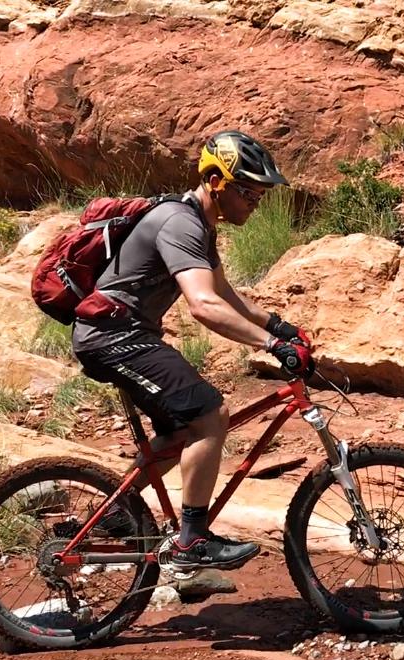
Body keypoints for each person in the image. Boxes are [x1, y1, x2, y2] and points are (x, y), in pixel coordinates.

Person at [73, 130, 315, 571]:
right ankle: (192, 542)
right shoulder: (181, 221)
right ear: (215, 181)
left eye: (260, 195)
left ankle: (114, 515)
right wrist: (272, 346)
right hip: (114, 338)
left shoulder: (201, 225)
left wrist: (281, 327)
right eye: (248, 191)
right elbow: (203, 305)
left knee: (183, 432)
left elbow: (224, 293)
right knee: (210, 416)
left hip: (124, 336)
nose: (254, 202)